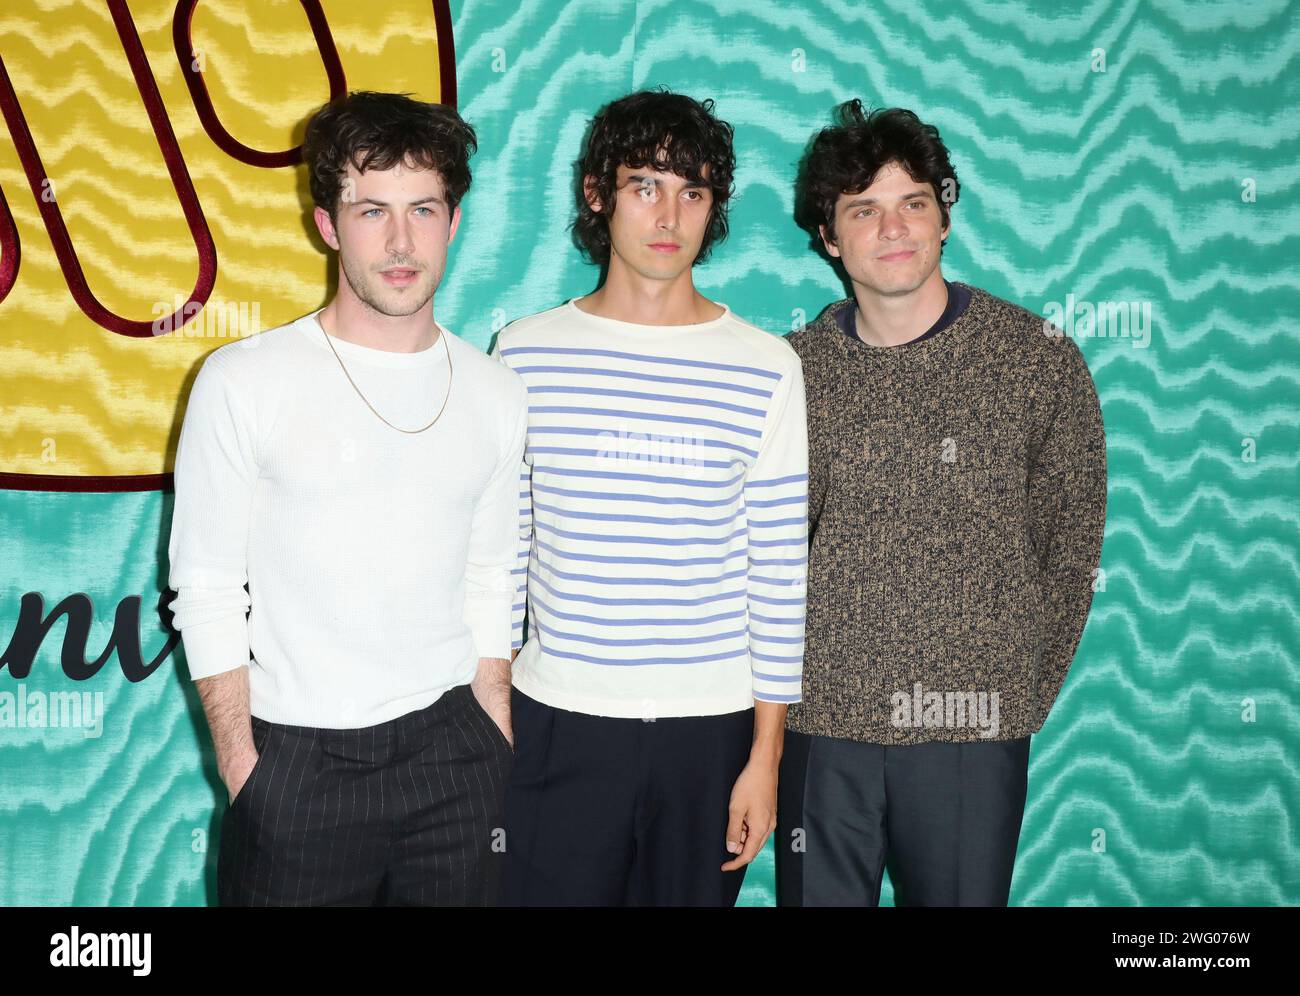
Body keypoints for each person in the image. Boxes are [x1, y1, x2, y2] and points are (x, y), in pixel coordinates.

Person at [167, 91, 527, 906]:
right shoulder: (243, 382)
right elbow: (207, 585)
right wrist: (243, 765)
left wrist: (493, 725)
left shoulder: (496, 392)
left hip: (454, 757)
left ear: (453, 220)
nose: (400, 242)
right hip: (297, 765)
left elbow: (493, 573)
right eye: (372, 211)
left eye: (423, 209)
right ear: (328, 224)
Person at [777, 100, 1107, 906]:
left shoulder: (1035, 360)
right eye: (864, 210)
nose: (893, 229)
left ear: (944, 217)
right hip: (820, 730)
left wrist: (1014, 690)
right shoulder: (789, 372)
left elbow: (1071, 544)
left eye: (913, 203)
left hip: (973, 730)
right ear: (829, 237)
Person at [493, 88, 809, 906]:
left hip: (711, 733)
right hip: (556, 722)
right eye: (646, 185)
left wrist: (764, 760)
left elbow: (779, 576)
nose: (670, 214)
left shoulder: (765, 365)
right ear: (599, 193)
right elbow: (502, 559)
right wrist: (494, 718)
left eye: (693, 191)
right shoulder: (525, 354)